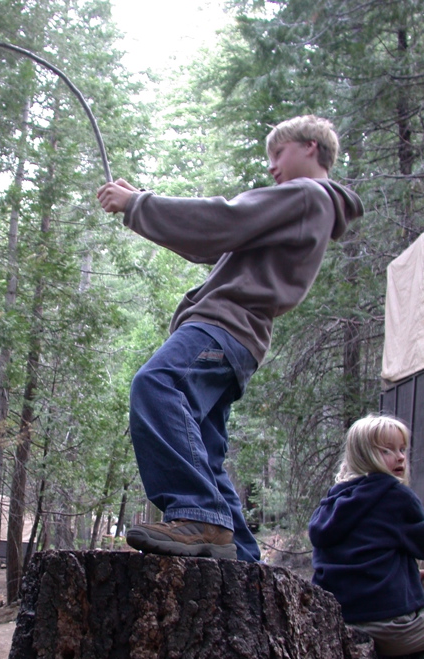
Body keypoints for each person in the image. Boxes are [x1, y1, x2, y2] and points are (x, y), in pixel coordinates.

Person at [97, 115, 364, 562]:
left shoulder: (305, 195)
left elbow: (223, 219)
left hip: (222, 327)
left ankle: (200, 515)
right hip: (239, 340)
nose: (273, 166)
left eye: (279, 153)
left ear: (311, 148)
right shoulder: (301, 208)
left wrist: (137, 203)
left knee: (158, 383)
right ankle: (242, 559)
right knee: (201, 446)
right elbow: (211, 245)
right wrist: (135, 210)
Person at [310, 414, 424, 659]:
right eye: (388, 450)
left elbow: (367, 559)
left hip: (338, 619)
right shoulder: (393, 495)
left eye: (402, 449)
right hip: (388, 623)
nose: (400, 457)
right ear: (366, 455)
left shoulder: (333, 500)